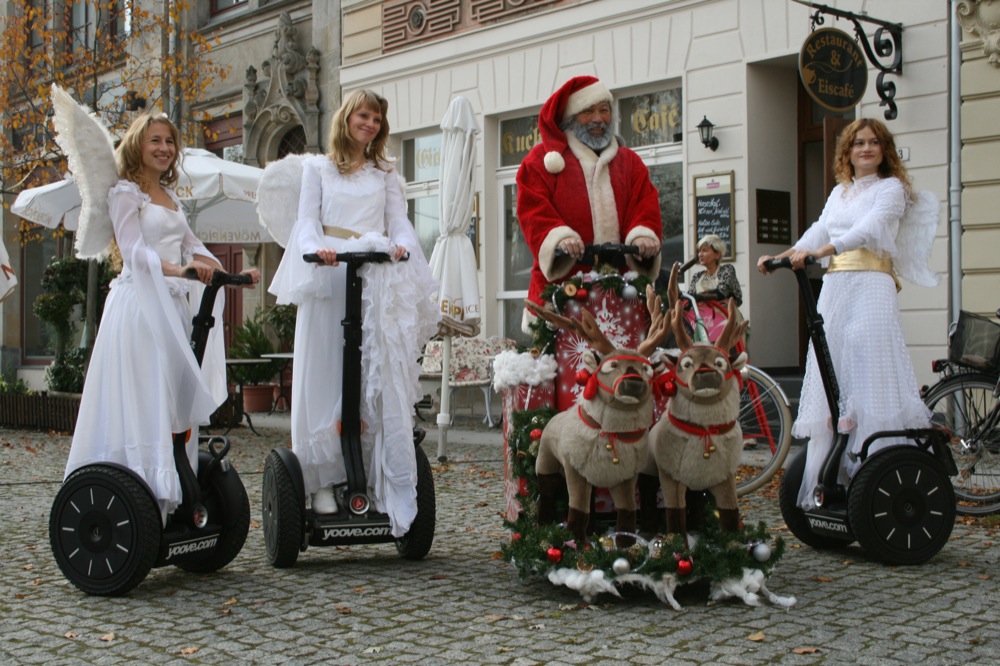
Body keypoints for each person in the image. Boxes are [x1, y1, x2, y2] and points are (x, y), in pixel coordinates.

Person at [65, 112, 260, 522]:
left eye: (170, 143)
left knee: (172, 399)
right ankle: (141, 496)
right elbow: (134, 252)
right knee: (147, 395)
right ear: (139, 144)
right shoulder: (124, 193)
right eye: (156, 140)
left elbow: (194, 246)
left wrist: (234, 275)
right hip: (139, 306)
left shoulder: (171, 199)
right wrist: (180, 271)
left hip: (172, 308)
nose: (164, 149)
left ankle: (174, 494)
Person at [268, 90, 439, 536]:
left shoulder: (386, 173)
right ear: (347, 118)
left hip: (374, 276)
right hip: (330, 272)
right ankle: (320, 481)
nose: (371, 123)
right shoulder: (318, 168)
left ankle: (368, 472)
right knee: (325, 373)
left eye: (378, 118)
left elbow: (398, 220)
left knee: (371, 378)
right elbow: (305, 222)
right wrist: (313, 248)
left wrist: (401, 245)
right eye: (364, 115)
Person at [757, 118, 938, 510]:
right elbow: (818, 228)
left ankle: (875, 470)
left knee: (866, 360)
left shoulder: (892, 190)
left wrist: (825, 251)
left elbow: (869, 228)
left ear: (883, 150)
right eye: (858, 143)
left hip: (872, 284)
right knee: (830, 362)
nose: (866, 149)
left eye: (874, 143)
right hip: (837, 287)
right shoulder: (841, 191)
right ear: (848, 151)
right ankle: (836, 472)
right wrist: (785, 256)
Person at [516, 75, 662, 331]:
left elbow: (645, 204)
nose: (598, 118)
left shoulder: (629, 163)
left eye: (604, 110)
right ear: (571, 117)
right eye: (588, 111)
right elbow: (533, 211)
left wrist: (642, 235)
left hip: (621, 292)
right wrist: (559, 239)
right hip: (561, 293)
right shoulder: (543, 161)